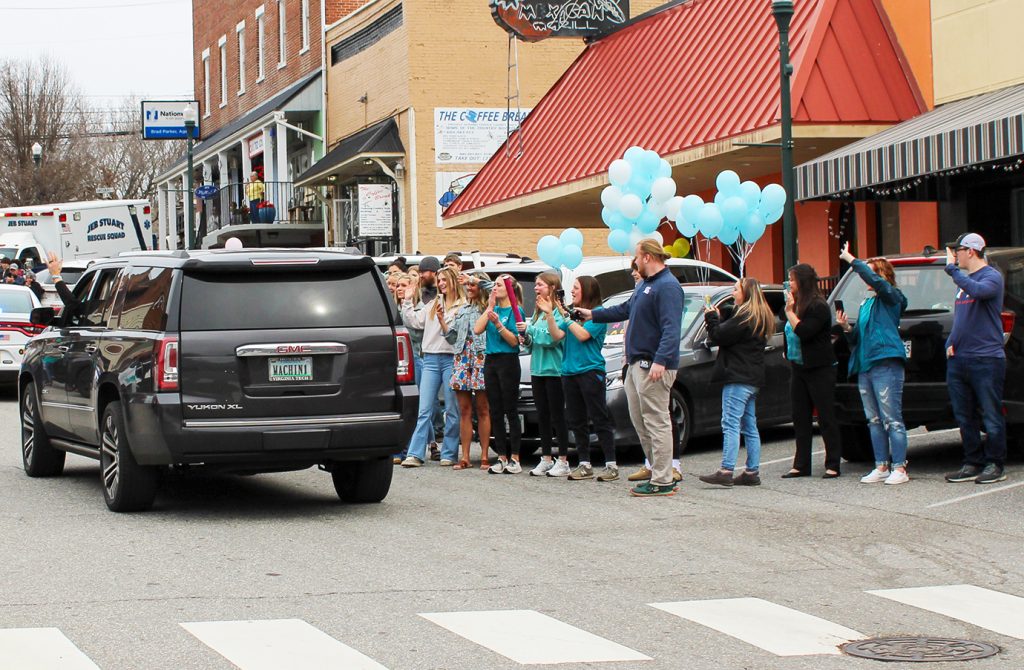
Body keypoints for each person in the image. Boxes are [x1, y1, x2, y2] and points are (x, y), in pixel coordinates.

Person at [582, 241, 683, 496]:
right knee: (640, 420)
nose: (634, 263)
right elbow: (624, 309)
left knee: (657, 421)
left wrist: (661, 360)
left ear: (647, 257)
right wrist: (593, 314)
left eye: (636, 258)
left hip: (653, 365)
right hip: (637, 365)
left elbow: (671, 328)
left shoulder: (667, 286)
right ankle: (654, 468)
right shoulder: (645, 285)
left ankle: (663, 479)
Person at [835, 243, 910, 485]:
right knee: (874, 419)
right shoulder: (867, 304)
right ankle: (881, 466)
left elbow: (878, 284)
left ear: (883, 275)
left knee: (892, 419)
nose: (866, 278)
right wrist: (847, 328)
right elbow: (858, 338)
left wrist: (852, 260)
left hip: (886, 363)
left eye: (871, 273)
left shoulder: (892, 297)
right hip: (866, 366)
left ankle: (900, 467)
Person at [942, 233, 1008, 484]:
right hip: (960, 359)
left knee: (991, 414)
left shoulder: (991, 276)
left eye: (957, 251)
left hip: (986, 359)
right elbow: (961, 318)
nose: (954, 256)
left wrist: (952, 271)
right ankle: (972, 461)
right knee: (964, 415)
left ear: (970, 251)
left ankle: (995, 463)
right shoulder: (964, 282)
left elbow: (979, 292)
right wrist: (950, 343)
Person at [698, 278, 775, 487]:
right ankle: (752, 471)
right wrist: (721, 317)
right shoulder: (758, 316)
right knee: (749, 425)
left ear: (746, 293)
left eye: (736, 289)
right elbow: (731, 332)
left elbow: (719, 335)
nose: (733, 293)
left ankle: (726, 469)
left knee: (730, 423)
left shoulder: (744, 316)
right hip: (753, 378)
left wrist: (711, 318)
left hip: (738, 376)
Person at [551, 276, 618, 480]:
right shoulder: (572, 313)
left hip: (590, 371)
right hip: (569, 372)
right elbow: (556, 336)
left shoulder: (596, 315)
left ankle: (611, 465)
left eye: (576, 288)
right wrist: (549, 314)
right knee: (576, 419)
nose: (572, 291)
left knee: (599, 418)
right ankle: (584, 463)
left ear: (587, 291)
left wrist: (566, 317)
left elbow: (582, 335)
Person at [399, 266, 464, 467]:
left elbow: (457, 337)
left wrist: (445, 320)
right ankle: (416, 454)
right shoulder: (433, 303)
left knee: (452, 409)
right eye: (440, 280)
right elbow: (414, 322)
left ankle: (449, 453)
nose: (441, 284)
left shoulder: (462, 306)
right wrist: (407, 300)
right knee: (424, 408)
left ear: (453, 281)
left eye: (445, 280)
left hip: (451, 359)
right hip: (430, 359)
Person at [782, 263, 843, 478]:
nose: (789, 283)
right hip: (798, 367)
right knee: (800, 416)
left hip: (819, 368)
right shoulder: (796, 304)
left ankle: (833, 463)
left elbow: (804, 331)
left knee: (826, 416)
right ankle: (801, 464)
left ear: (803, 282)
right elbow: (788, 332)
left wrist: (789, 312)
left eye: (792, 279)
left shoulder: (818, 306)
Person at [520, 272, 572, 477]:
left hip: (555, 370)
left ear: (551, 287)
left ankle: (563, 459)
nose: (536, 288)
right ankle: (546, 458)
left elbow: (552, 339)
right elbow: (534, 343)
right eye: (535, 285)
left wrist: (530, 329)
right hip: (538, 369)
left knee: (557, 415)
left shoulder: (559, 313)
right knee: (542, 414)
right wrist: (526, 339)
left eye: (540, 285)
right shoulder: (538, 313)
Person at [474, 273, 526, 474]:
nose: (494, 288)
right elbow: (477, 329)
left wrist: (498, 324)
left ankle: (515, 457)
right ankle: (502, 456)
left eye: (498, 285)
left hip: (508, 360)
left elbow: (514, 341)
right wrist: (489, 306)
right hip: (492, 361)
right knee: (495, 409)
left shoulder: (515, 310)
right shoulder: (492, 309)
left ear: (509, 290)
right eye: (493, 285)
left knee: (510, 409)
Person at [445, 271, 491, 470]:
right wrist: (442, 323)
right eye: (468, 285)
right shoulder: (463, 309)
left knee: (482, 408)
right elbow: (452, 338)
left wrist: (475, 279)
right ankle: (464, 456)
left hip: (481, 357)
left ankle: (484, 455)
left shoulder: (489, 306)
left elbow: (493, 288)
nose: (469, 288)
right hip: (462, 358)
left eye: (473, 285)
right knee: (464, 409)